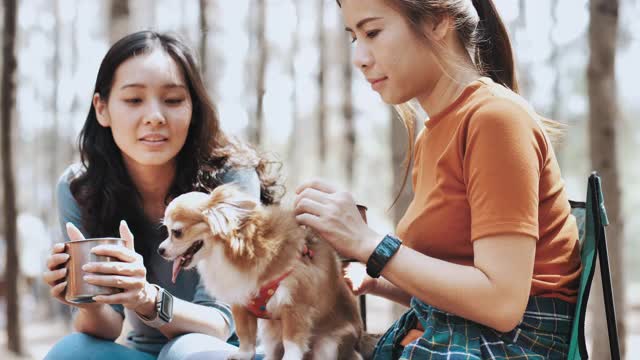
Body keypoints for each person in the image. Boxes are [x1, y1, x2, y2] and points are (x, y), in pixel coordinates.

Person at [294, 0, 582, 359]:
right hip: (455, 334)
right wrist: (373, 275)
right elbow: (458, 281)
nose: (360, 58)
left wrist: (369, 243)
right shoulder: (434, 134)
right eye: (355, 38)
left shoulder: (495, 119)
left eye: (373, 32)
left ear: (437, 22)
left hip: (509, 347)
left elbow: (501, 304)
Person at [42, 30, 279, 360]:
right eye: (134, 100)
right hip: (149, 353)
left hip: (229, 351)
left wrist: (144, 297)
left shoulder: (229, 181)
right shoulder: (80, 188)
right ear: (102, 108)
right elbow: (107, 328)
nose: (155, 116)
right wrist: (83, 297)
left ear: (193, 108)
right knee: (72, 351)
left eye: (172, 100)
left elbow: (221, 323)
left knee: (188, 349)